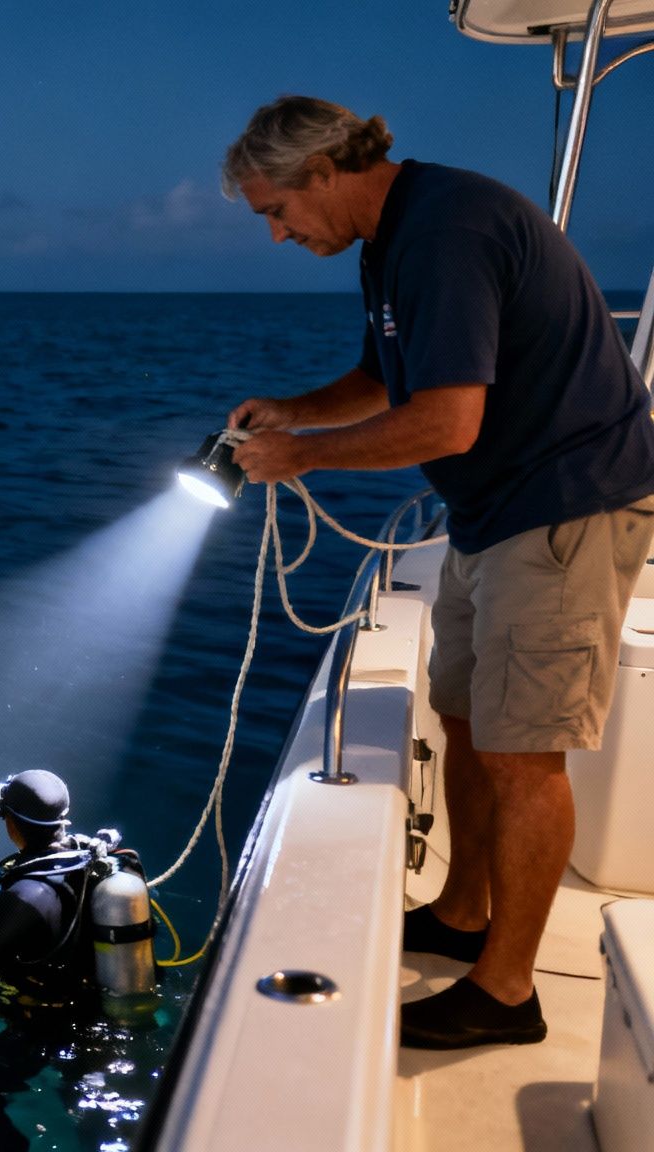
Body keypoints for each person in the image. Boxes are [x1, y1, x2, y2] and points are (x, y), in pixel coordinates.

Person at [218, 95, 654, 1049]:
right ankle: (464, 916)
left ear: (323, 172)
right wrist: (294, 412)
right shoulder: (394, 239)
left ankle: (507, 995)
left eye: (276, 211)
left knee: (524, 753)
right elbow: (386, 376)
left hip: (564, 506)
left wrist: (304, 457)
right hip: (492, 512)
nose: (278, 233)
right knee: (461, 713)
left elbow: (448, 420)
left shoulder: (448, 233)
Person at [0, 770, 150, 1152]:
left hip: (45, 1023)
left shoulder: (28, 892)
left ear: (11, 821)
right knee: (92, 1117)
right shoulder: (87, 860)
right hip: (95, 1010)